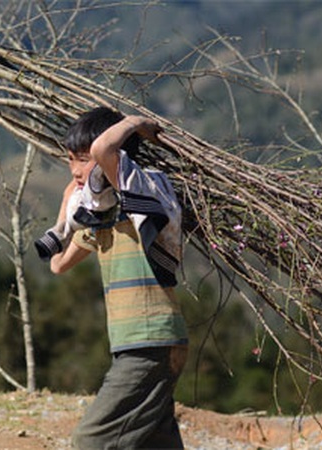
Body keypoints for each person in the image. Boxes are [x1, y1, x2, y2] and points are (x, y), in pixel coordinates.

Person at [35, 107, 189, 449]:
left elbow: (105, 148)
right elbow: (57, 264)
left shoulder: (142, 197)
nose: (75, 170)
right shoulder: (100, 214)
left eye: (82, 160)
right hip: (140, 345)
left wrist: (137, 123)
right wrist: (66, 205)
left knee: (90, 441)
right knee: (156, 442)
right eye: (70, 160)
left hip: (150, 342)